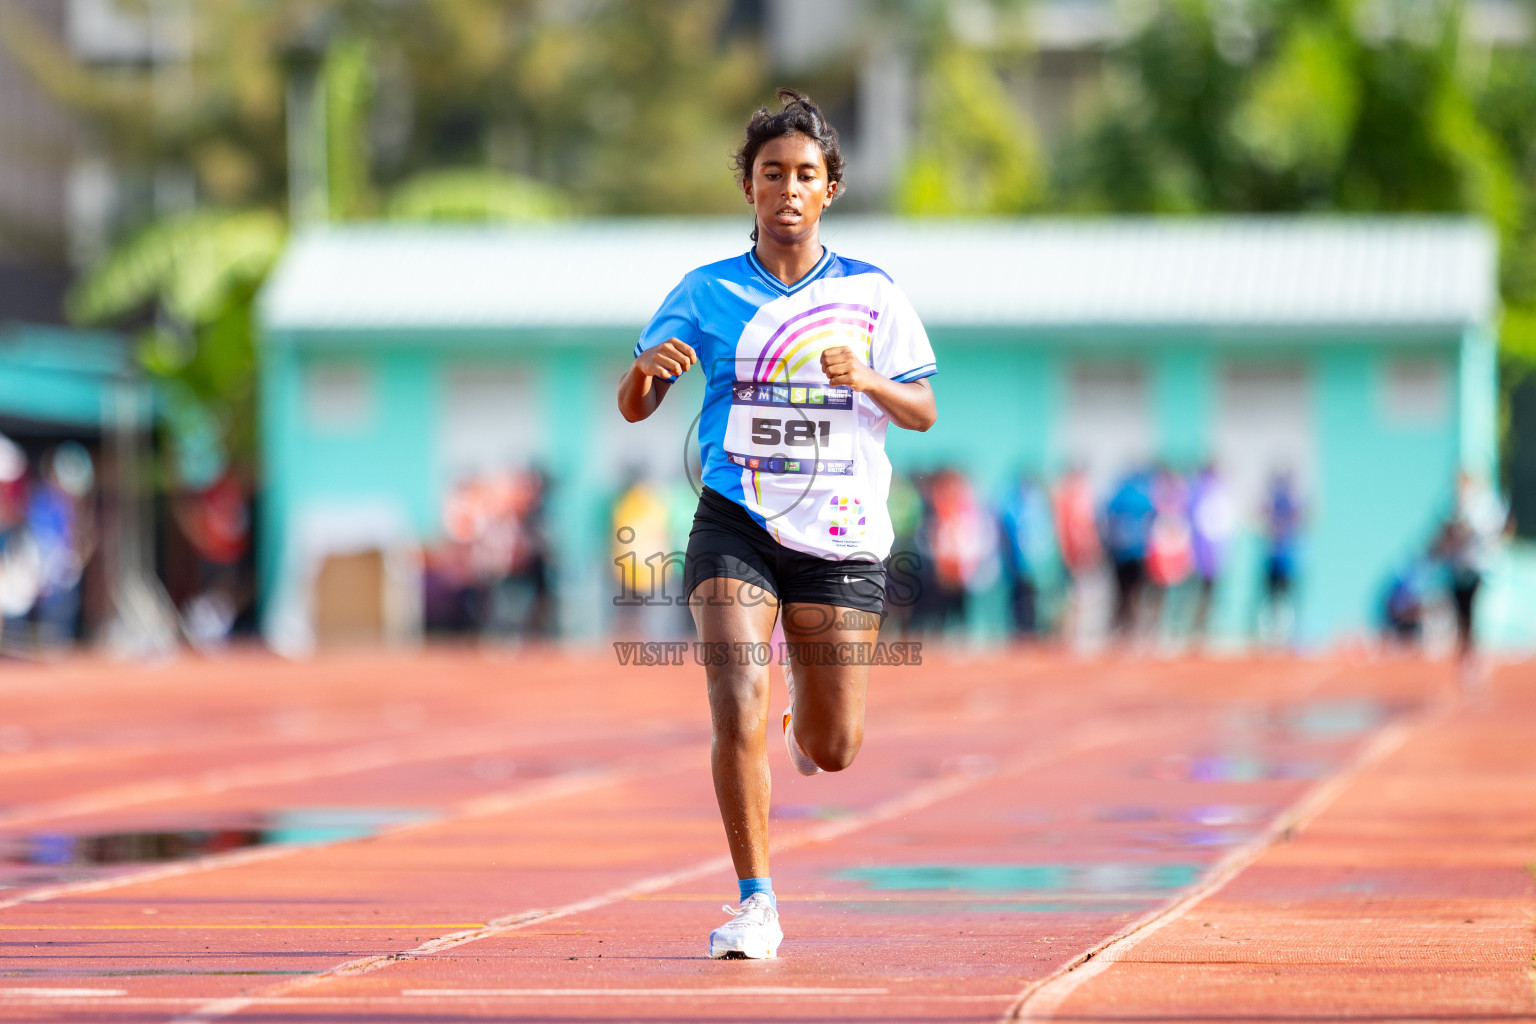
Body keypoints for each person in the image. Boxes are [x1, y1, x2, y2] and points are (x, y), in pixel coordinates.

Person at [616, 89, 937, 960]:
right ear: (748, 188)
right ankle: (755, 902)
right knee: (734, 699)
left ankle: (810, 718)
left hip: (840, 538)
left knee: (834, 749)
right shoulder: (706, 289)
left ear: (830, 187)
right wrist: (650, 369)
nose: (787, 189)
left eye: (805, 174)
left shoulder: (873, 293)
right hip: (737, 523)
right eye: (771, 174)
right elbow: (636, 404)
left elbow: (923, 410)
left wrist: (868, 381)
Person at [1432, 471, 1509, 670]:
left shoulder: (1482, 506)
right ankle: (1465, 656)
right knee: (1460, 614)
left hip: (1476, 567)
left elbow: (1486, 530)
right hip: (1457, 568)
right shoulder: (1450, 504)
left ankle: (1474, 657)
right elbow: (1445, 531)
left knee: (1473, 612)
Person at [1102, 468, 1156, 642]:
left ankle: (1118, 629)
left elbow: (1107, 518)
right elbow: (1153, 519)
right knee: (1137, 592)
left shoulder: (1118, 495)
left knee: (1120, 593)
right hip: (1138, 552)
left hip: (1119, 552)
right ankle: (1135, 629)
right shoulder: (1144, 496)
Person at [1186, 462, 1235, 642]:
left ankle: (1202, 628)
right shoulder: (1202, 491)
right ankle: (1196, 628)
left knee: (1207, 592)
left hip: (1209, 552)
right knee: (1199, 592)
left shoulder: (1215, 491)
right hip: (1201, 551)